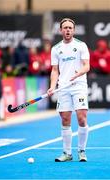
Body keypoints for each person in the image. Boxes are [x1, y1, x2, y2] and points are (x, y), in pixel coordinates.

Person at [47, 18, 90, 162]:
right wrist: (52, 87)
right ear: (60, 30)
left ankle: (82, 151)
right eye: (65, 28)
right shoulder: (56, 49)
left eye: (70, 28)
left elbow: (86, 65)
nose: (67, 30)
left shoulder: (81, 45)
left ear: (74, 30)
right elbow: (54, 70)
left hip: (78, 86)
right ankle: (67, 153)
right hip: (63, 87)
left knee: (81, 118)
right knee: (65, 119)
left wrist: (79, 73)